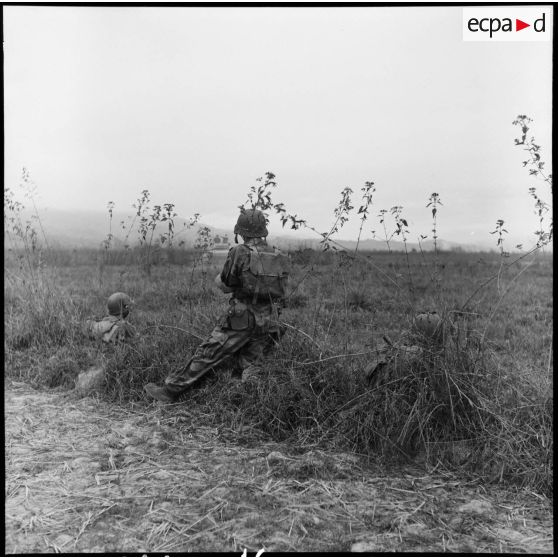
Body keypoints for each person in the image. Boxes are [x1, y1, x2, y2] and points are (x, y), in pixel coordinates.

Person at [144, 208, 290, 403]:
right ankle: (248, 403)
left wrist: (219, 281)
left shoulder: (239, 252)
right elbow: (282, 289)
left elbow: (226, 284)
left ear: (241, 231)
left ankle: (170, 391)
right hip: (269, 318)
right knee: (253, 362)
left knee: (208, 353)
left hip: (242, 316)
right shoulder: (279, 255)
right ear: (264, 230)